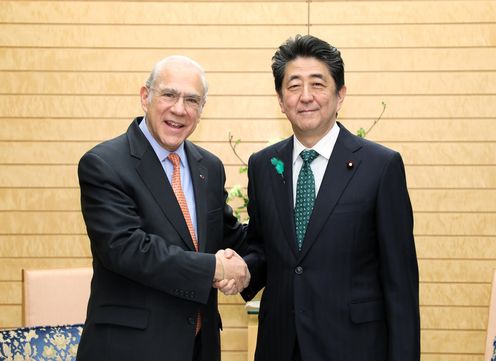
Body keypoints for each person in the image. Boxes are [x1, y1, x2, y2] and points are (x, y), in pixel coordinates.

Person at [241, 35, 420, 361]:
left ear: (340, 95)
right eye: (293, 86)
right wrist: (237, 269)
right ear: (281, 100)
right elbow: (263, 250)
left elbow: (401, 287)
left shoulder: (380, 166)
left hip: (355, 348)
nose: (305, 96)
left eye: (318, 84)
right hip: (280, 347)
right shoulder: (263, 165)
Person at [76, 55, 250, 361]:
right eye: (169, 94)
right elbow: (127, 248)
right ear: (146, 97)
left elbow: (231, 237)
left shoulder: (207, 166)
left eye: (192, 100)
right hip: (129, 350)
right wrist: (215, 268)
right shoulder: (104, 164)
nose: (179, 109)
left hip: (199, 347)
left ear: (202, 109)